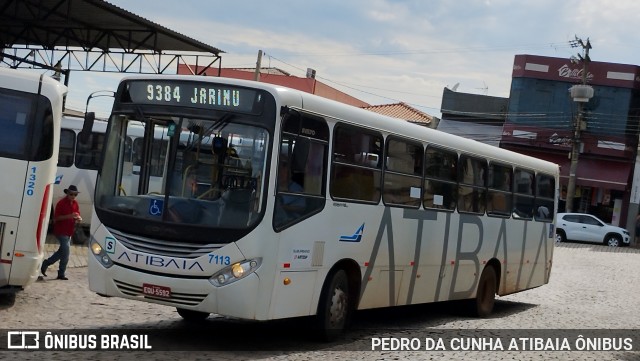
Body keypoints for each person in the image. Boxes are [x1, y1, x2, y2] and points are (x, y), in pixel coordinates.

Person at [41, 185, 82, 280]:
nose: (73, 196)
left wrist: (79, 218)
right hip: (61, 231)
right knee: (66, 253)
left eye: (75, 194)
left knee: (62, 252)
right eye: (71, 194)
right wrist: (70, 216)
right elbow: (56, 218)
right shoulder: (61, 203)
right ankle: (61, 273)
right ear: (67, 193)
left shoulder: (75, 203)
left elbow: (77, 214)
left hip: (69, 231)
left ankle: (46, 263)